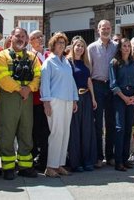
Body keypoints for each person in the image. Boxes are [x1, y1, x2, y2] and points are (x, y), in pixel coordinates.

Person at [0, 27, 41, 179]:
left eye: (23, 36)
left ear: (27, 39)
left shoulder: (32, 57)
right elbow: (2, 76)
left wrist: (29, 88)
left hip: (26, 98)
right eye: (17, 36)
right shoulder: (3, 55)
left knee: (26, 132)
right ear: (11, 38)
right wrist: (19, 89)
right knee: (7, 131)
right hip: (9, 97)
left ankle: (25, 166)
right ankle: (8, 167)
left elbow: (38, 76)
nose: (20, 38)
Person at [41, 32, 77, 178]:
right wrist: (46, 103)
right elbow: (44, 84)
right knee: (56, 133)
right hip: (55, 101)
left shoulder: (67, 62)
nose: (61, 45)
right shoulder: (49, 62)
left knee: (65, 133)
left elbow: (71, 82)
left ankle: (59, 164)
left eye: (63, 43)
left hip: (68, 100)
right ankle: (50, 166)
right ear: (53, 45)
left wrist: (75, 99)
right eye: (58, 43)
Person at [87, 20, 118, 167]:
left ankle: (110, 156)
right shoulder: (91, 48)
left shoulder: (116, 47)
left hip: (112, 88)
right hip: (97, 86)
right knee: (98, 123)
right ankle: (99, 157)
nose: (106, 30)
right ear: (98, 30)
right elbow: (88, 72)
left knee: (111, 122)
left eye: (108, 28)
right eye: (103, 28)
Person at [109, 37, 134, 171]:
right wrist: (124, 97)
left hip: (132, 97)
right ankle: (118, 161)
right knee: (119, 128)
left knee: (129, 128)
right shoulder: (114, 63)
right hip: (119, 98)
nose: (127, 48)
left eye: (129, 46)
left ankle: (125, 158)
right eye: (124, 46)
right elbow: (113, 84)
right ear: (120, 48)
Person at [67, 36, 97, 172]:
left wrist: (93, 98)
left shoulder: (85, 63)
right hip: (75, 98)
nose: (80, 48)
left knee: (87, 130)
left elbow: (89, 81)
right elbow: (69, 83)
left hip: (86, 98)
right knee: (75, 131)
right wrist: (73, 100)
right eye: (77, 45)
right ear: (73, 47)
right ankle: (76, 162)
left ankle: (87, 161)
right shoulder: (68, 62)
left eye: (82, 46)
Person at [29, 30, 50, 171]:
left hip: (49, 100)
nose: (39, 39)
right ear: (30, 42)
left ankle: (45, 158)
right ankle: (35, 158)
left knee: (47, 131)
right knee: (35, 131)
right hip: (35, 100)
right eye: (35, 38)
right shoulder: (29, 56)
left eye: (40, 36)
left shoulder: (50, 55)